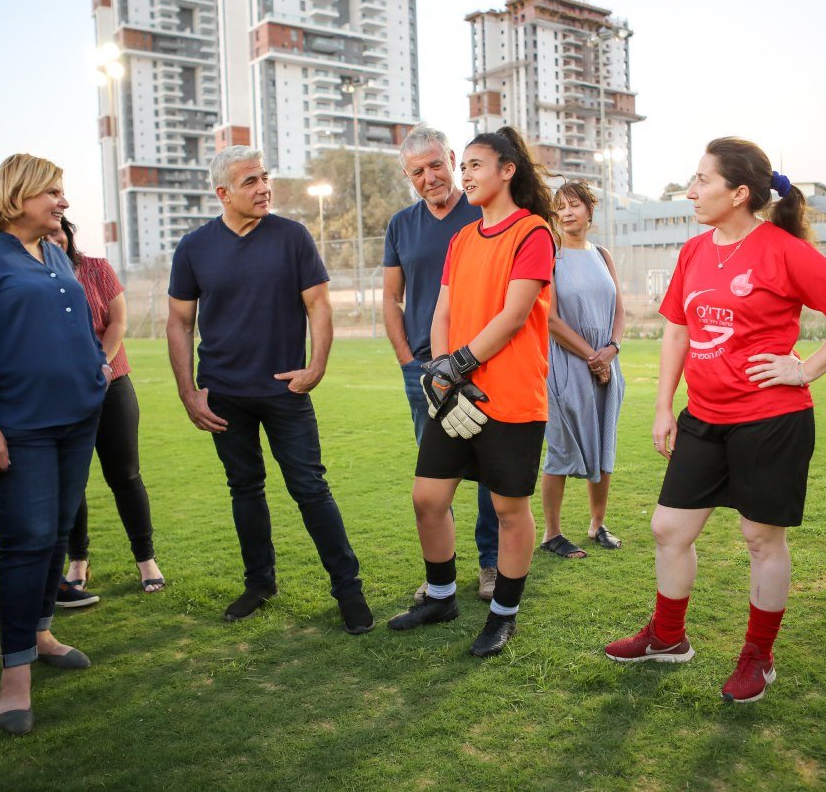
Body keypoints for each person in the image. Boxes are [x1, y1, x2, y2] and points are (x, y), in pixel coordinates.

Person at [603, 137, 826, 704]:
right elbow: (678, 331)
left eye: (702, 179)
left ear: (738, 193)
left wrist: (805, 369)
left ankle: (758, 656)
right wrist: (664, 405)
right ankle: (668, 637)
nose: (691, 190)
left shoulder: (782, 249)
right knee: (668, 528)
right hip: (704, 418)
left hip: (770, 420)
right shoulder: (693, 251)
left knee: (760, 538)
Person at [0, 153, 109, 735]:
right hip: (18, 426)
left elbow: (79, 323)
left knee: (55, 534)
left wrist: (94, 369)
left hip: (76, 419)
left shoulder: (53, 252)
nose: (63, 202)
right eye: (52, 192)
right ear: (20, 194)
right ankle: (15, 673)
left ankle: (41, 633)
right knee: (26, 541)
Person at [166, 146, 372, 635]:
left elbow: (319, 305)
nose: (263, 188)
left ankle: (348, 589)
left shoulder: (292, 236)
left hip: (285, 391)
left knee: (310, 487)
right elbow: (179, 322)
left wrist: (316, 366)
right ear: (223, 193)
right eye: (250, 181)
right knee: (244, 488)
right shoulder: (194, 247)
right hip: (223, 395)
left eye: (264, 177)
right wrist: (188, 393)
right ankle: (259, 583)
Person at [387, 126, 557, 657]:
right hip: (456, 394)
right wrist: (442, 372)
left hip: (510, 396)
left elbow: (513, 316)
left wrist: (456, 365)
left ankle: (503, 616)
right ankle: (441, 597)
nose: (464, 175)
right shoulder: (462, 239)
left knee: (508, 509)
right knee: (428, 498)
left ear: (507, 171)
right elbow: (442, 311)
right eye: (464, 167)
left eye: (474, 165)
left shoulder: (532, 232)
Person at [384, 124, 499, 602]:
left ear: (452, 160)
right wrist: (407, 360)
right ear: (408, 177)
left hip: (484, 363)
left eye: (435, 165)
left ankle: (492, 564)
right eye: (417, 172)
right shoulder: (401, 225)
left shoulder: (484, 212)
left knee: (492, 472)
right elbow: (391, 298)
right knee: (435, 477)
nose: (429, 177)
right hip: (425, 370)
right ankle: (441, 571)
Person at [46, 219, 165, 599]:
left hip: (111, 384)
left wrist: (100, 366)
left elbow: (117, 322)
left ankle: (146, 559)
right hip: (61, 392)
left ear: (68, 233)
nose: (53, 239)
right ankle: (78, 560)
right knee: (70, 481)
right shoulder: (28, 278)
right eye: (44, 234)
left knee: (126, 475)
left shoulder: (96, 268)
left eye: (57, 230)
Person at [539, 180, 626, 558]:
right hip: (566, 365)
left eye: (574, 205)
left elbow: (619, 309)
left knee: (605, 444)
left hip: (607, 364)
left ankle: (597, 524)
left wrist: (611, 350)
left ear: (590, 210)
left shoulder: (602, 255)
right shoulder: (550, 255)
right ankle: (552, 533)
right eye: (560, 207)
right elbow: (550, 320)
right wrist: (593, 356)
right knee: (561, 449)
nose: (567, 213)